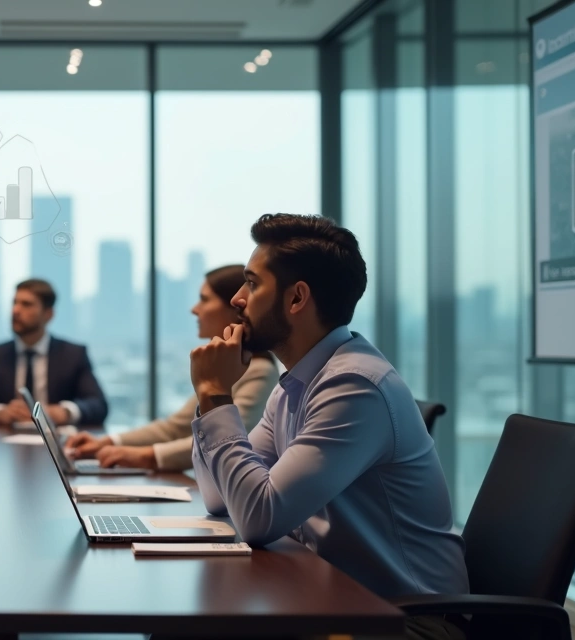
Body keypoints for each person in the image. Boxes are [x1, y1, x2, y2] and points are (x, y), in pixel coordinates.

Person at [188, 214, 467, 639]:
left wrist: (213, 392)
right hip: (338, 601)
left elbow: (258, 518)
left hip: (409, 622)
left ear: (297, 298)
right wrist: (212, 399)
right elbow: (219, 497)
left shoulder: (354, 386)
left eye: (252, 283)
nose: (238, 300)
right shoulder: (297, 384)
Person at [63, 266, 278, 471]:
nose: (194, 309)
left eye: (204, 299)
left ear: (234, 310)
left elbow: (226, 441)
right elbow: (177, 427)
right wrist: (108, 442)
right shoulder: (223, 367)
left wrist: (143, 456)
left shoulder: (259, 371)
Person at [0, 279, 108, 426]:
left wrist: (65, 411)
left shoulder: (72, 355)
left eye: (26, 305)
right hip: (4, 442)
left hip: (56, 442)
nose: (16, 310)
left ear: (48, 314)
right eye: (14, 303)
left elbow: (98, 405)